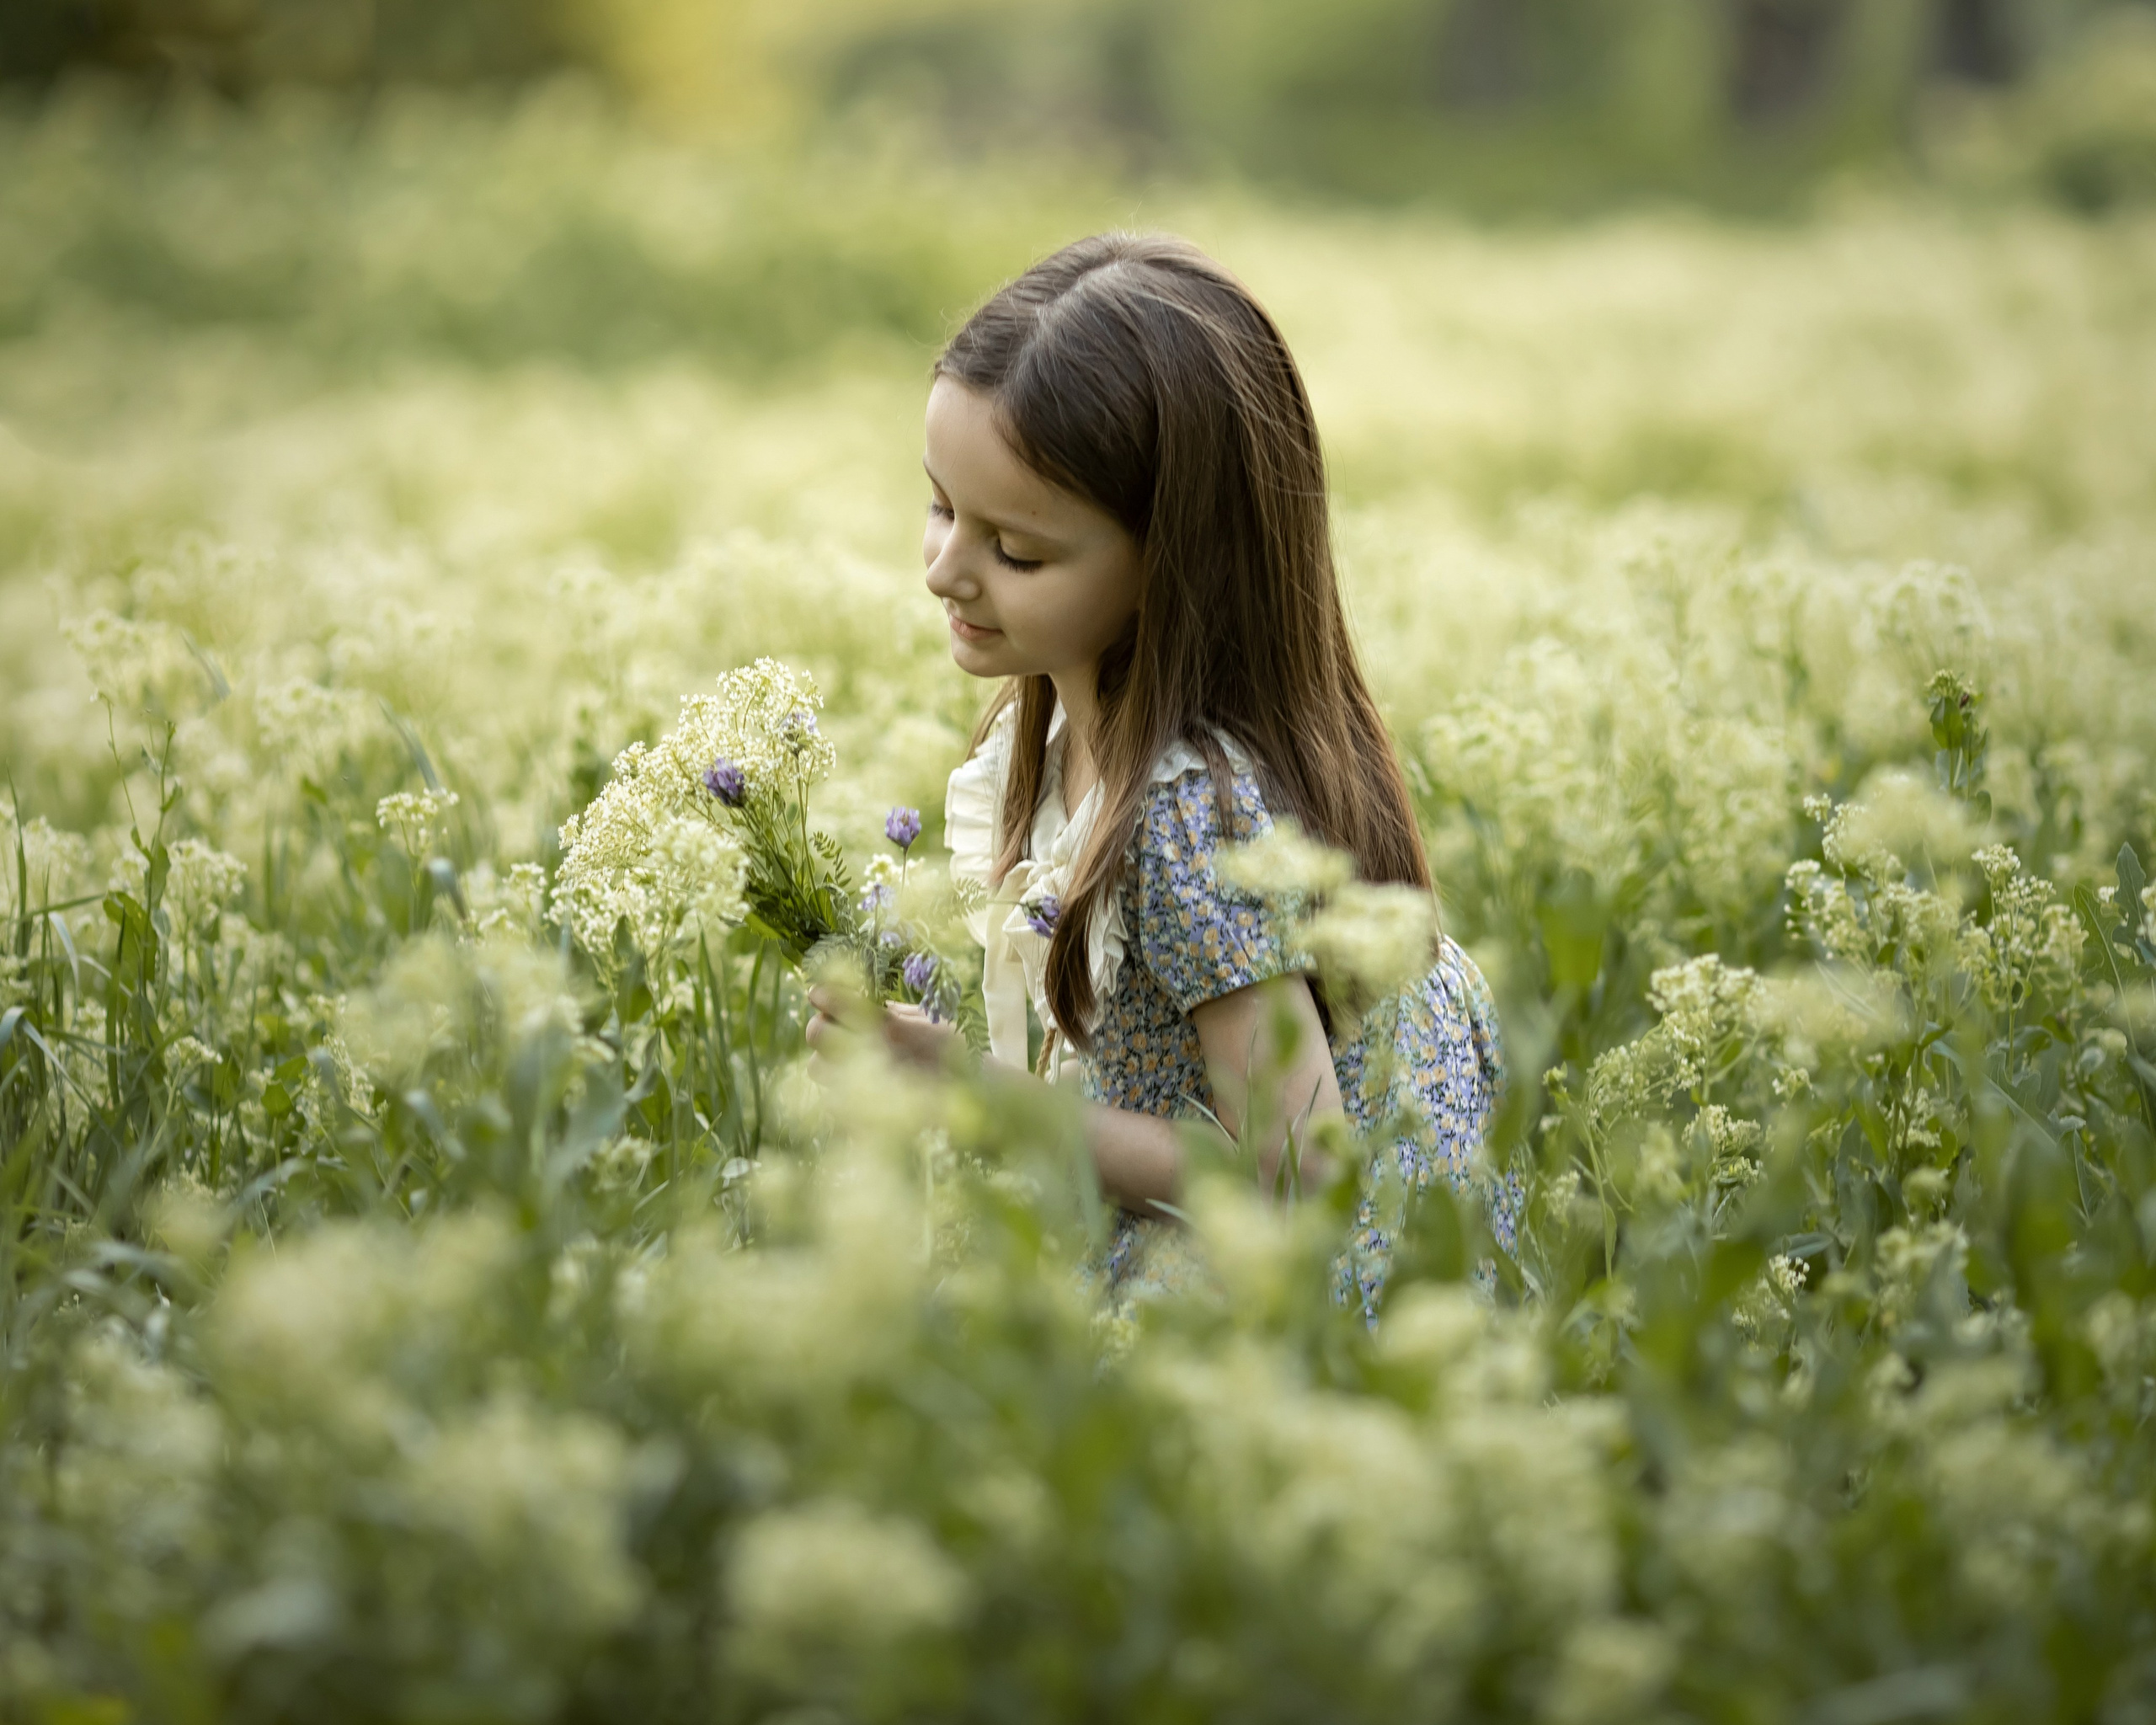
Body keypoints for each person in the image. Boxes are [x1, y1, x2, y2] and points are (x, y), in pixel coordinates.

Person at [807, 232, 1510, 1320]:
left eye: (1018, 551)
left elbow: (1301, 1174)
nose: (944, 569)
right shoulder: (1060, 740)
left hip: (1281, 1319)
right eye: (943, 507)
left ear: (1173, 563)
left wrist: (977, 1098)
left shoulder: (1190, 812)